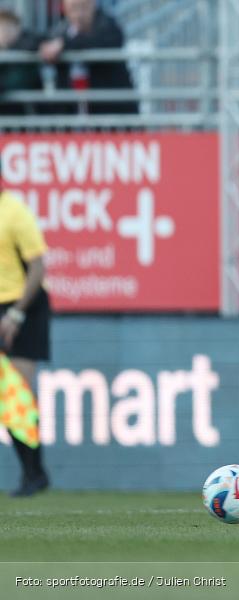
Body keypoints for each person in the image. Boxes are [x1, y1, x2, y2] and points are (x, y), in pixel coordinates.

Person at [0, 166, 52, 497]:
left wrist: (17, 314)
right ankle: (33, 473)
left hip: (24, 308)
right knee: (6, 399)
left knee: (17, 392)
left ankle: (34, 473)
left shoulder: (14, 212)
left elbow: (38, 266)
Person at [38, 0, 137, 115]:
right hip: (72, 113)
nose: (79, 13)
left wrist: (64, 45)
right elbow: (40, 42)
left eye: (83, 6)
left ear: (93, 5)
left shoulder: (108, 26)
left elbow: (98, 42)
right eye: (74, 8)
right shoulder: (61, 31)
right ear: (65, 9)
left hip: (109, 113)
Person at [0, 8, 43, 116]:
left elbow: (18, 82)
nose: (5, 32)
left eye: (9, 27)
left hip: (24, 113)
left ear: (18, 29)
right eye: (2, 28)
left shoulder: (29, 44)